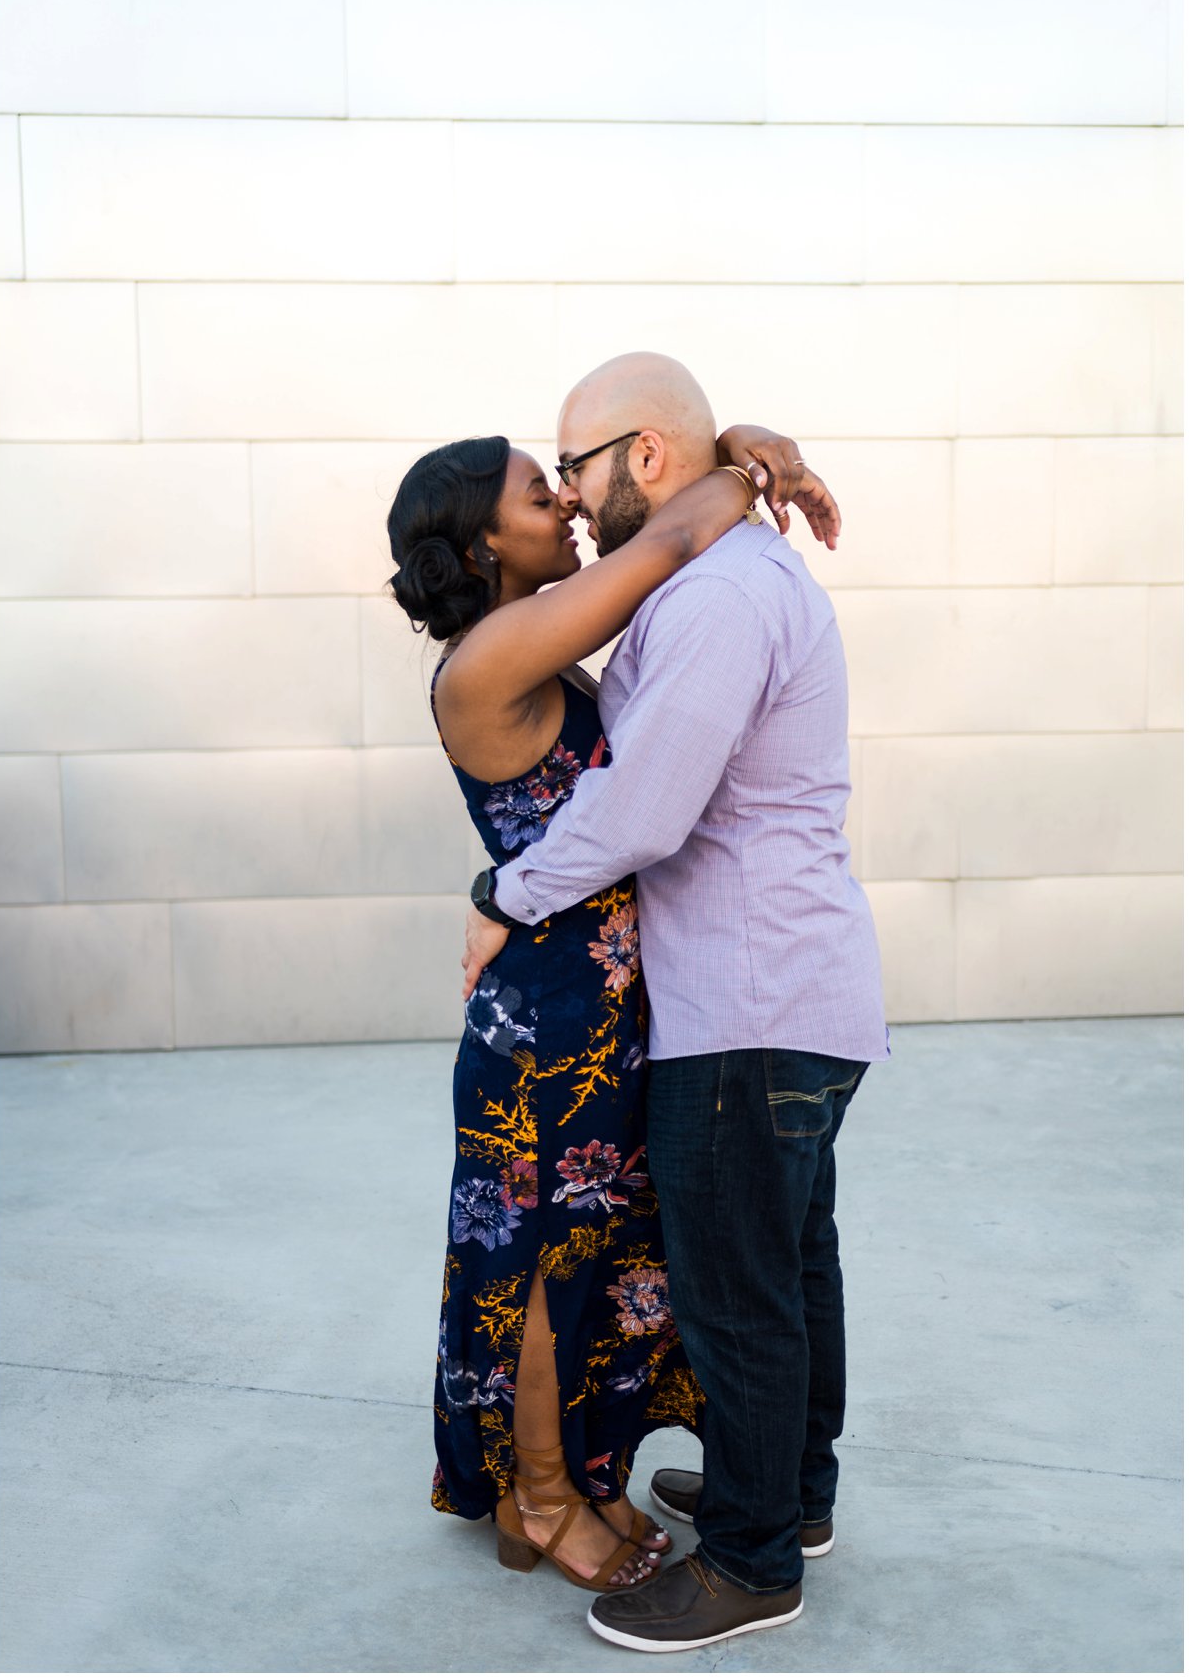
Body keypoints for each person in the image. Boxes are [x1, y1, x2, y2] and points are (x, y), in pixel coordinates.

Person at [461, 352, 889, 1652]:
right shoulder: (728, 571)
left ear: (645, 454)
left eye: (577, 467)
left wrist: (507, 891)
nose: (577, 504)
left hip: (748, 1001)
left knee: (742, 1287)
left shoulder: (717, 599)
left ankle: (753, 1560)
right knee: (794, 1262)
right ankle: (791, 1493)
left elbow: (647, 809)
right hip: (790, 989)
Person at [386, 421, 838, 1595]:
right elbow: (675, 533)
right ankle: (539, 1499)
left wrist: (730, 446)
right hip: (550, 1023)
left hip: (604, 1003)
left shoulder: (533, 642)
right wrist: (747, 460)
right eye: (543, 493)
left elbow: (677, 532)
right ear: (487, 537)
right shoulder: (489, 655)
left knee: (594, 1255)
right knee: (548, 1259)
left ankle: (577, 1475)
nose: (569, 507)